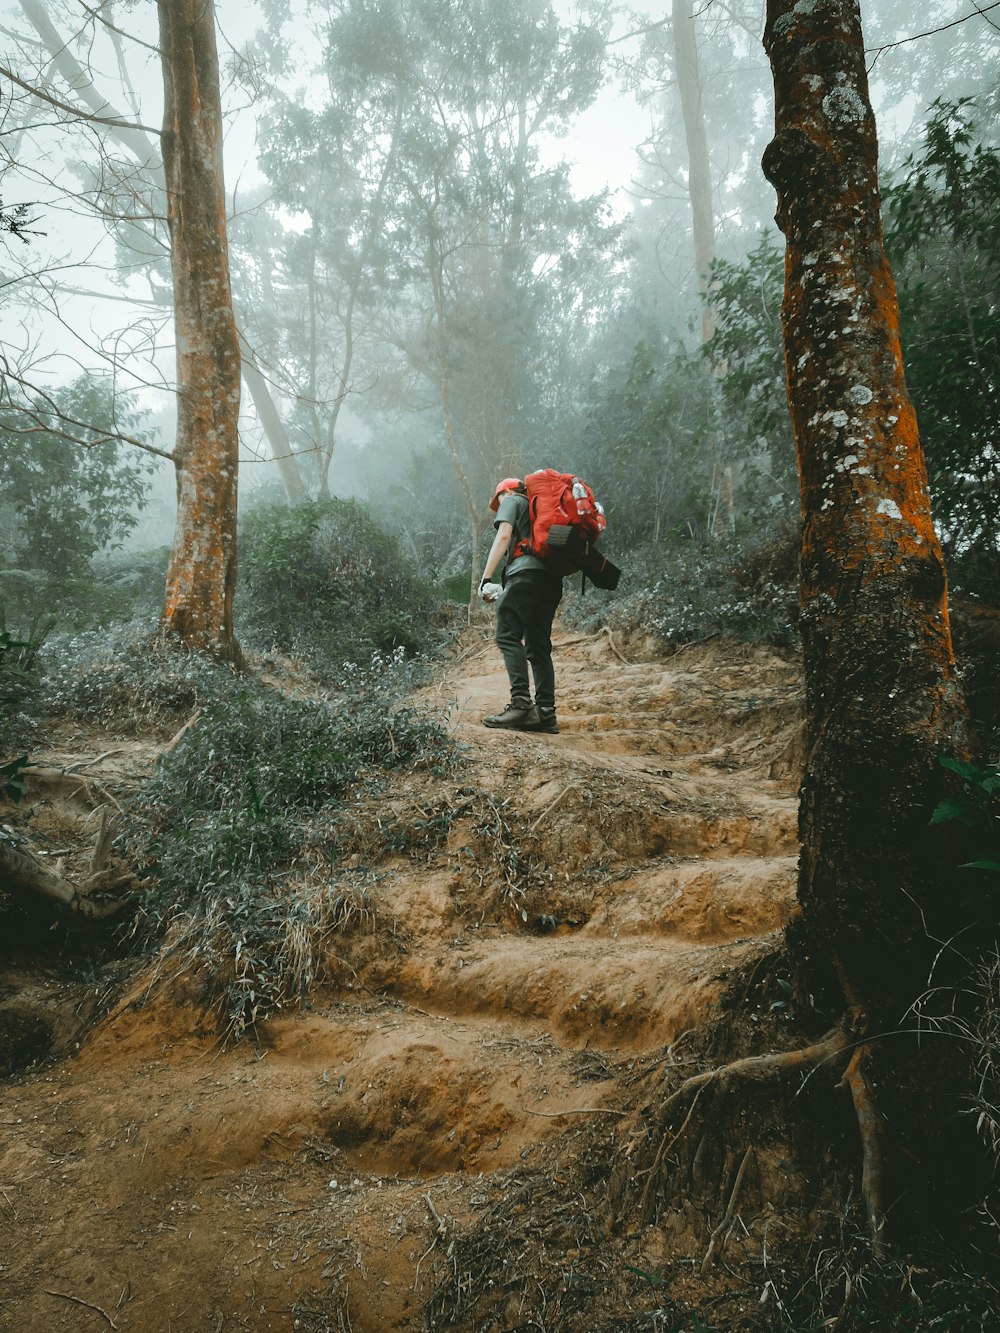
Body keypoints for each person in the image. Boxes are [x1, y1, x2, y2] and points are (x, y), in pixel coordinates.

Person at [478, 477, 562, 734]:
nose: (499, 504)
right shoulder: (539, 511)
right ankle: (546, 713)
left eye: (498, 500)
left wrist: (486, 578)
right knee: (538, 644)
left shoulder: (513, 500)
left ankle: (521, 704)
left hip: (525, 574)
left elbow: (504, 535)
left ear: (506, 491)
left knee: (507, 635)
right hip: (551, 578)